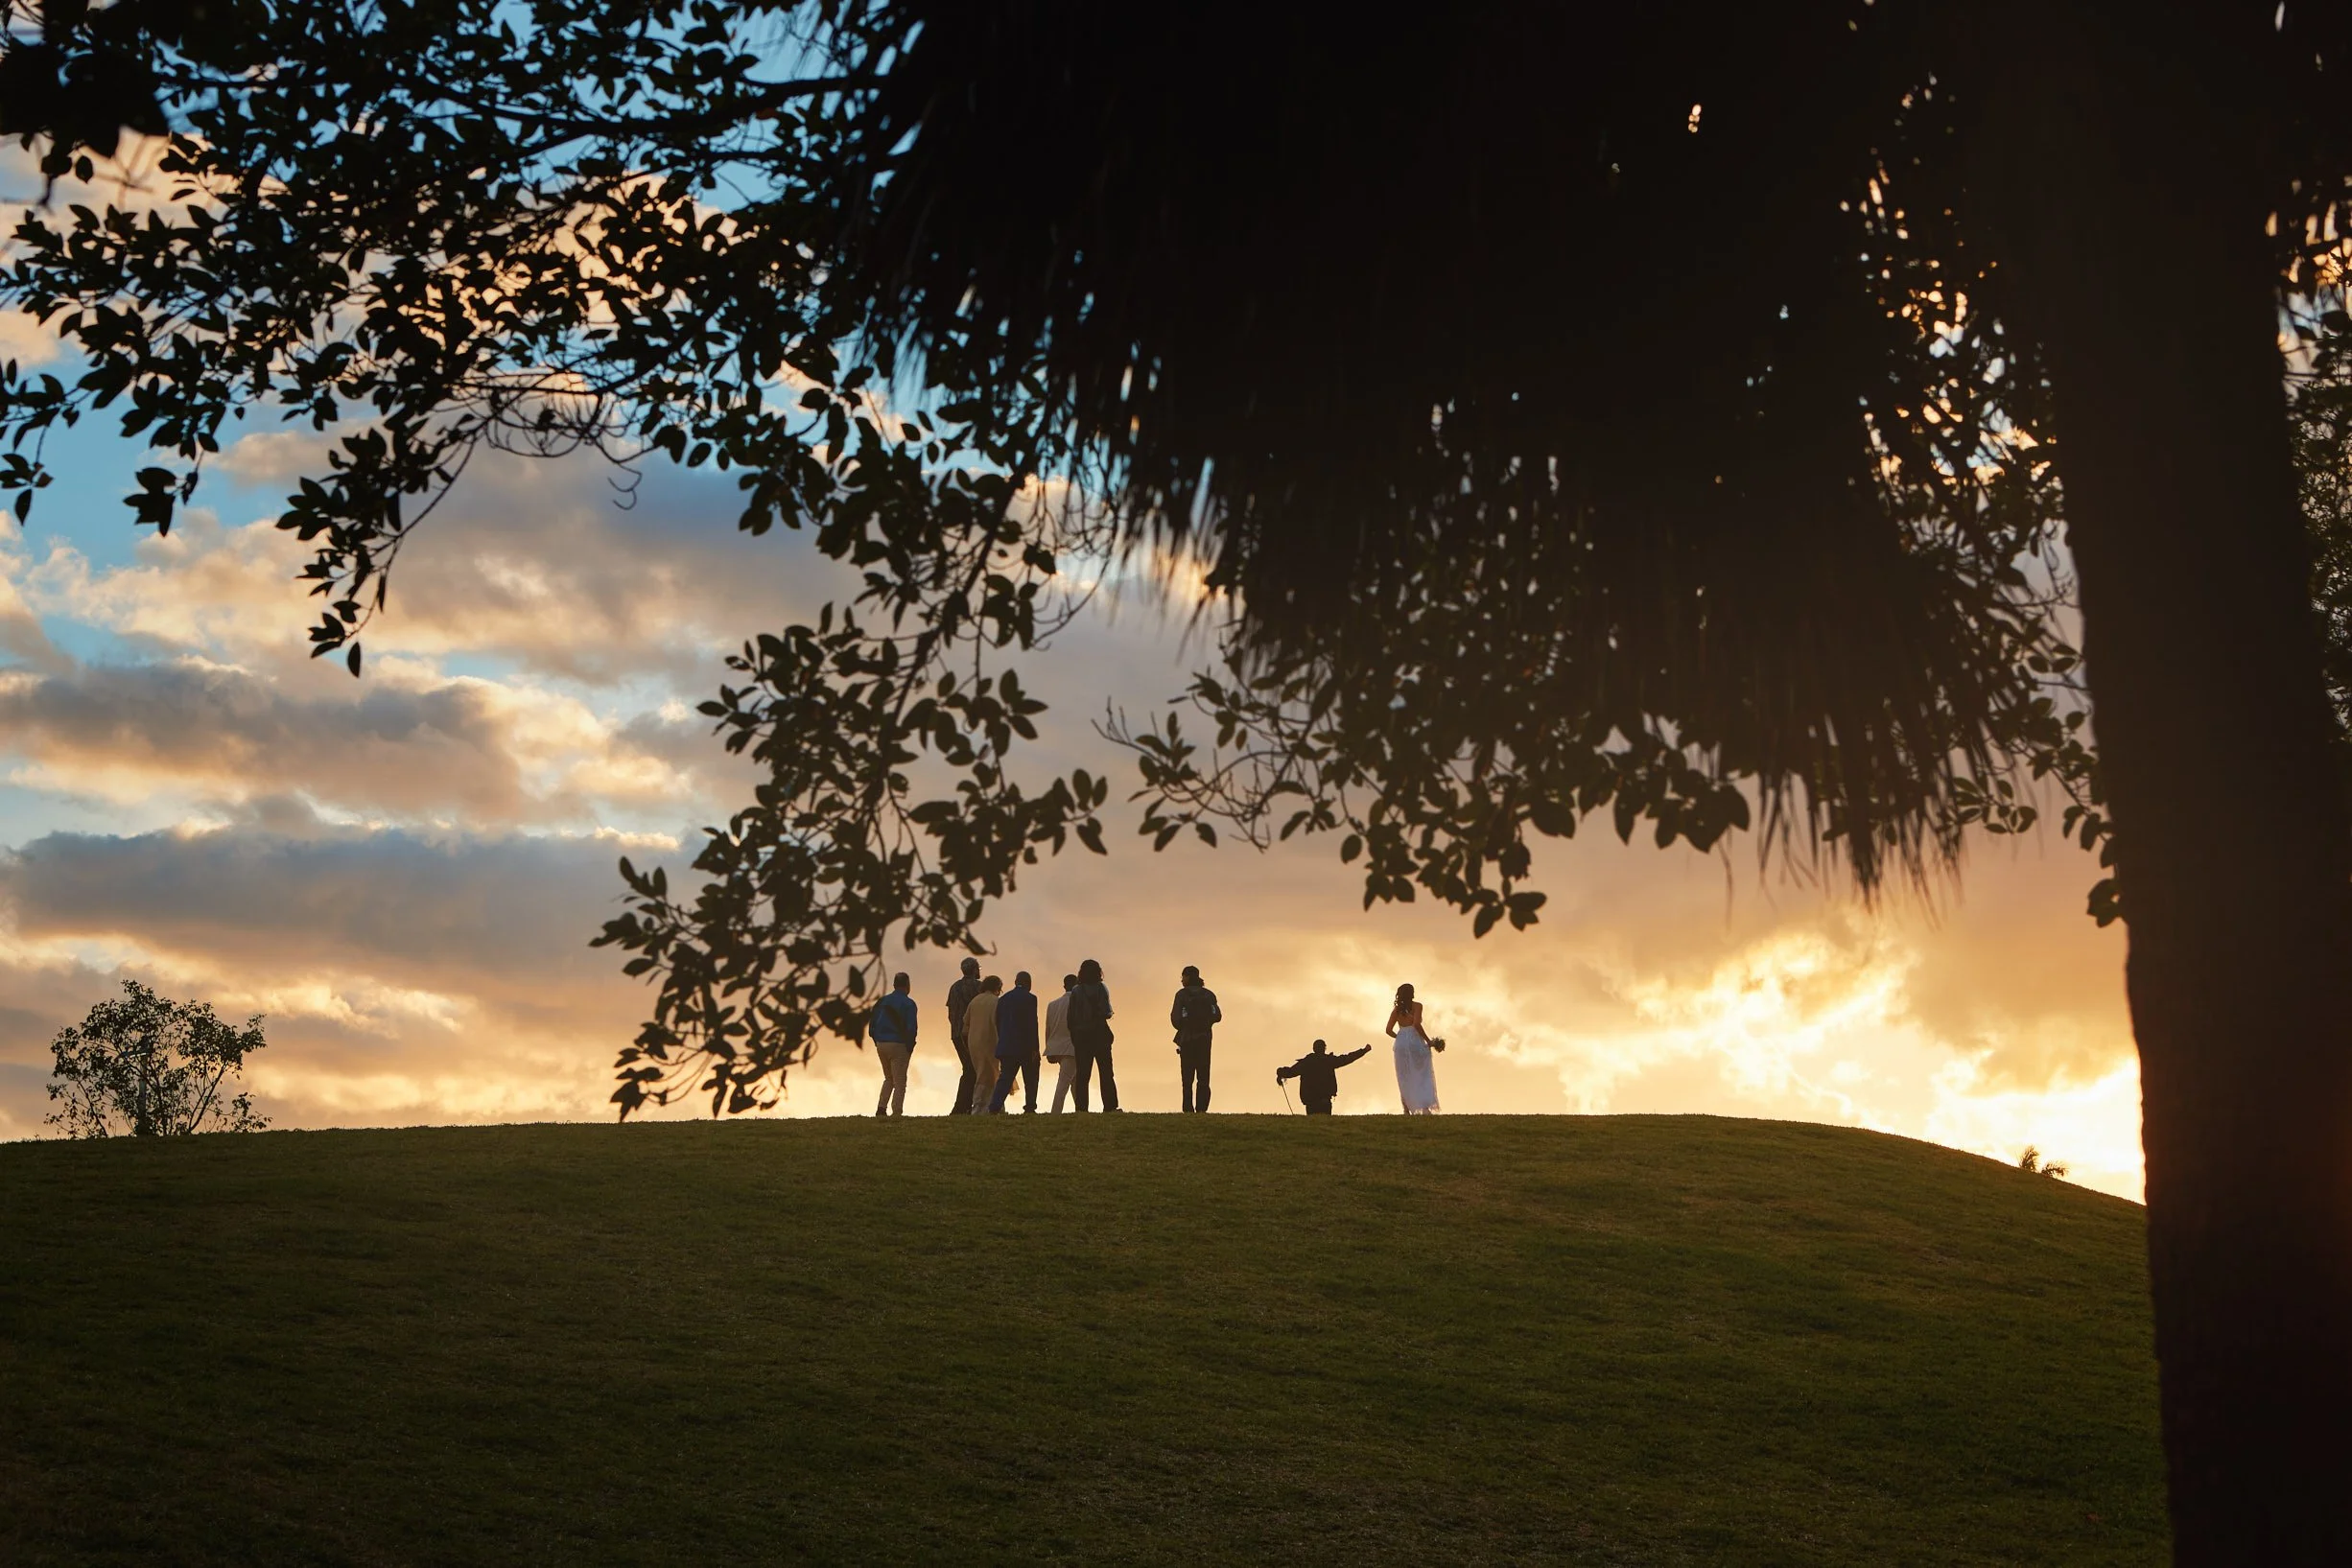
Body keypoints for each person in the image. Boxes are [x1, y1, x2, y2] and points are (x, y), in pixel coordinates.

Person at [1067, 957, 1119, 1112]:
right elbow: (1107, 1012)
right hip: (1100, 1035)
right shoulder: (1101, 988)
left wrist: (1075, 1035)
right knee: (1106, 1073)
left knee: (1083, 1075)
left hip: (1082, 1038)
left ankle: (1081, 1108)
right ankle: (1110, 1106)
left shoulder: (1076, 991)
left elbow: (1070, 1017)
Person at [1169, 964, 1222, 1112]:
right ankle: (1201, 1109)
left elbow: (1176, 1019)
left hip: (1187, 1039)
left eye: (1182, 977)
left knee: (1187, 1078)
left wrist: (1186, 1025)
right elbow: (1217, 1016)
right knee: (1203, 1077)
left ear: (1187, 977)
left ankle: (1187, 1108)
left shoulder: (1181, 995)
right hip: (1205, 1039)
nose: (1181, 980)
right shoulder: (1209, 995)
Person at [1386, 982, 1444, 1114]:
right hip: (1414, 1040)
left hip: (1401, 1042)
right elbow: (1416, 1024)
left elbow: (1388, 1030)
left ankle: (1406, 1109)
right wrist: (1428, 1041)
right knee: (1422, 1072)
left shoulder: (1396, 1010)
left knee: (1403, 1075)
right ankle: (1424, 1107)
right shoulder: (1417, 1006)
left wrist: (1400, 1038)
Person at [989, 971, 1041, 1113]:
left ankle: (994, 1107)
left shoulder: (1003, 999)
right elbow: (1032, 1024)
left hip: (1007, 1045)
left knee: (1005, 1078)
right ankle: (1030, 1107)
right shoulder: (1031, 999)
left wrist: (1003, 1039)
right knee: (1031, 1078)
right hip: (1025, 1046)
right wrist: (1035, 1048)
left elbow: (998, 1022)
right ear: (1028, 983)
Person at [1276, 1039, 1372, 1114]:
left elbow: (1291, 1072)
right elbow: (1347, 1058)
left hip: (1311, 1102)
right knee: (1325, 1124)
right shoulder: (1329, 1061)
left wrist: (1280, 1072)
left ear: (1314, 1049)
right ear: (1324, 1048)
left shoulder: (1306, 1062)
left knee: (1313, 1128)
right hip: (1325, 1101)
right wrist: (1363, 1051)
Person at [869, 971, 918, 1117]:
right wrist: (910, 1045)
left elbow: (872, 1025)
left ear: (894, 985)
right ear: (907, 985)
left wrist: (877, 1040)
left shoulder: (882, 1002)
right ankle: (896, 1111)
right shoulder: (909, 1004)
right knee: (900, 1080)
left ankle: (881, 1107)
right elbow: (911, 1027)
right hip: (899, 1044)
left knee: (888, 1077)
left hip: (881, 1043)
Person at [944, 957, 984, 1114]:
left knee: (969, 1069)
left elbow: (950, 1013)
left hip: (956, 1034)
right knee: (972, 1070)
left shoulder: (954, 987)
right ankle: (963, 1106)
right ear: (974, 970)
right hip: (973, 1034)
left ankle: (964, 1106)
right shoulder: (979, 987)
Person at [964, 974, 1004, 1113]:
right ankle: (982, 1106)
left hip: (974, 1042)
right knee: (990, 1074)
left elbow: (966, 1024)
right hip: (991, 1041)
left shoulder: (974, 1001)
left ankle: (989, 1106)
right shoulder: (997, 1001)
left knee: (983, 1073)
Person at [1046, 973, 1080, 1112]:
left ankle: (1080, 1109)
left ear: (1064, 986)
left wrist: (1049, 1049)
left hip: (1056, 1047)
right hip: (1072, 1047)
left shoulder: (1052, 1005)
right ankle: (1055, 1111)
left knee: (1074, 1081)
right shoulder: (1078, 1003)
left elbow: (1048, 1028)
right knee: (1065, 1082)